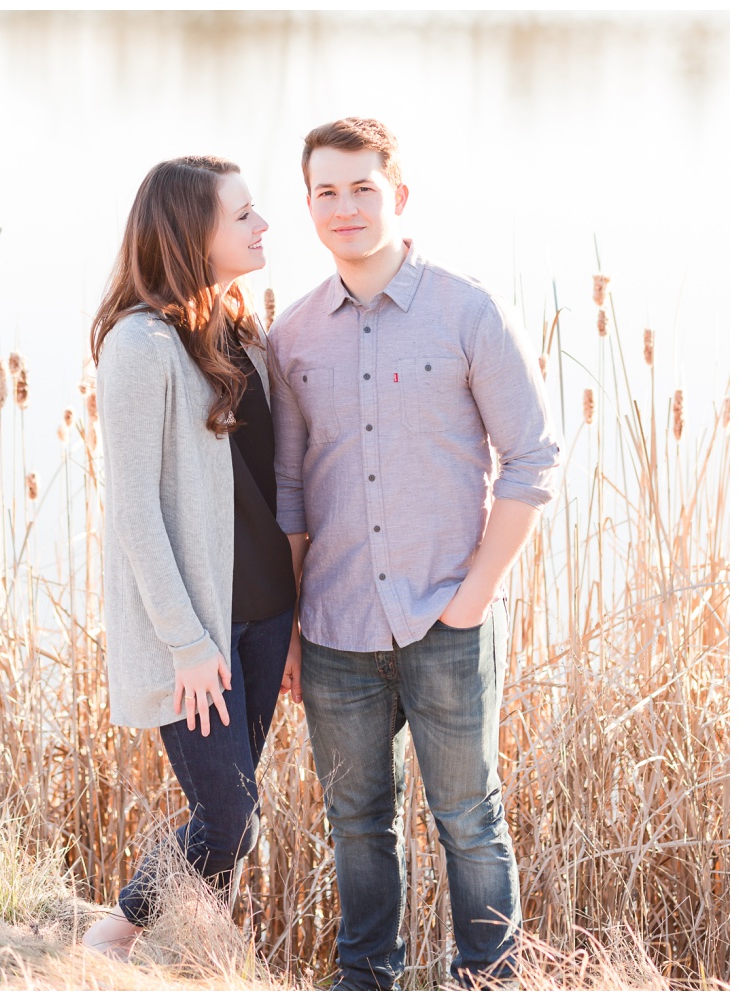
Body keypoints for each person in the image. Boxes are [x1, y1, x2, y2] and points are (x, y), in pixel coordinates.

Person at [268, 118, 559, 990]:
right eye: (327, 191)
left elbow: (535, 458)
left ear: (399, 195)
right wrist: (287, 627)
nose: (346, 207)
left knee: (468, 818)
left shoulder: (467, 311)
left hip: (447, 620)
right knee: (356, 824)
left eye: (363, 188)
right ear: (310, 205)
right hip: (334, 631)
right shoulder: (291, 337)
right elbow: (289, 494)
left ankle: (489, 981)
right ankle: (366, 981)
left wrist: (471, 599)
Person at [81, 155, 299, 959]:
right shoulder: (139, 344)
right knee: (228, 818)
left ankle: (206, 964)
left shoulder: (241, 329)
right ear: (192, 232)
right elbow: (134, 511)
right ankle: (117, 930)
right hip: (198, 631)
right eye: (243, 215)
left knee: (233, 817)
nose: (262, 224)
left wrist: (297, 623)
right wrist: (186, 640)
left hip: (267, 615)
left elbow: (269, 484)